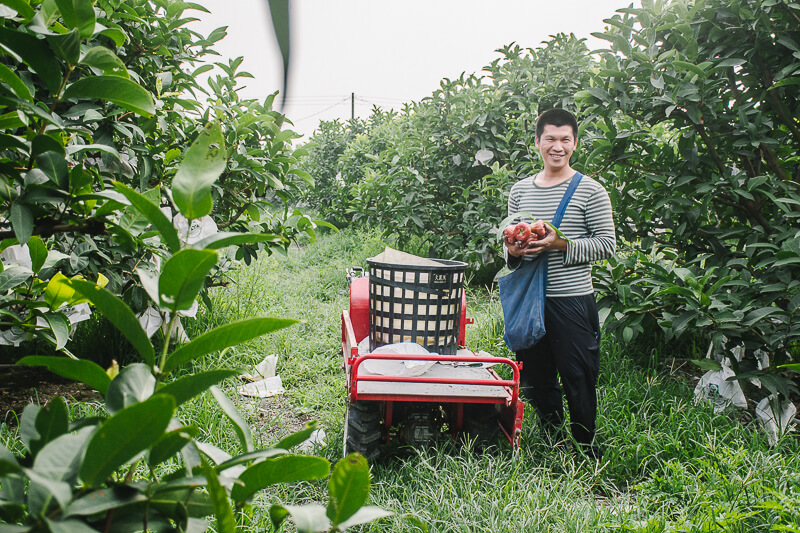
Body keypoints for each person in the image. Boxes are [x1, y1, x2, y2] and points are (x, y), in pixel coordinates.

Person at [504, 108, 616, 459]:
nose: (558, 146)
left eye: (565, 139)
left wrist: (559, 244)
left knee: (578, 376)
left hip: (571, 299)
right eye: (550, 139)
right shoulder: (520, 191)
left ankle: (585, 447)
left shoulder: (591, 191)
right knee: (536, 378)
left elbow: (606, 245)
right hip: (529, 299)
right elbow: (509, 248)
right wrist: (514, 248)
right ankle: (552, 437)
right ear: (537, 142)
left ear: (575, 144)